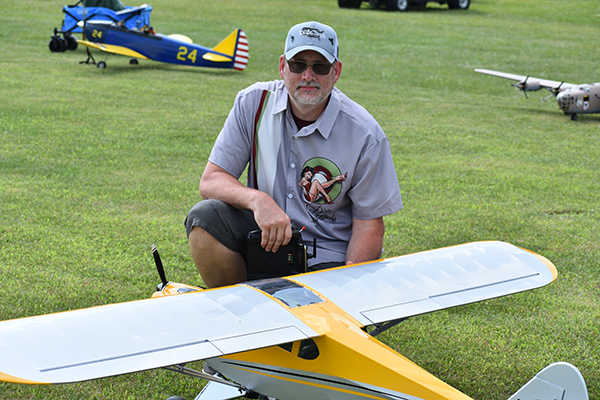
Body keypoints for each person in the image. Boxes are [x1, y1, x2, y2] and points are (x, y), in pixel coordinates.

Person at [185, 21, 402, 288]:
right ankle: (238, 310)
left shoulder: (366, 133)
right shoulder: (252, 103)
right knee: (205, 217)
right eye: (298, 64)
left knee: (311, 326)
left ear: (336, 72)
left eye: (319, 66)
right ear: (282, 67)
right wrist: (257, 200)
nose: (308, 76)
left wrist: (350, 291)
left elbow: (369, 225)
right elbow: (211, 180)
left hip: (327, 258)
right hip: (263, 241)